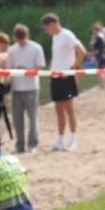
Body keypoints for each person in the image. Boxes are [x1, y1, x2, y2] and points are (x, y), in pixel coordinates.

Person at [41, 13, 86, 151]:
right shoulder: (55, 37)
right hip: (55, 76)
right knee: (58, 109)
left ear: (53, 24)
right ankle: (60, 140)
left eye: (46, 28)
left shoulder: (67, 34)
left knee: (69, 109)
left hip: (66, 76)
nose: (46, 31)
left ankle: (73, 140)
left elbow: (82, 51)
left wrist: (73, 69)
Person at [6, 24, 45, 153]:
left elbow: (40, 66)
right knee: (17, 119)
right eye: (18, 39)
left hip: (31, 87)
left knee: (32, 117)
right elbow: (8, 68)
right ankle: (20, 144)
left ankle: (32, 144)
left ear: (27, 36)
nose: (21, 41)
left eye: (22, 38)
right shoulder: (12, 50)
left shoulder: (36, 48)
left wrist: (27, 71)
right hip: (16, 88)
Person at [90, 22, 105, 89]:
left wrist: (93, 42)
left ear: (95, 30)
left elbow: (93, 45)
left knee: (100, 69)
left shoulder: (97, 37)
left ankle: (103, 84)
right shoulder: (103, 36)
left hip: (100, 54)